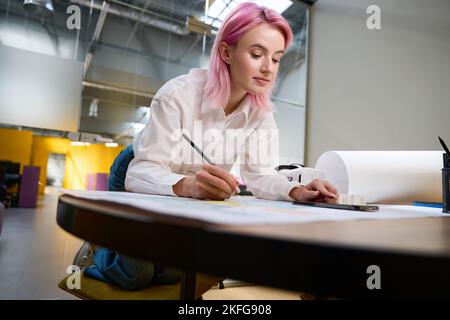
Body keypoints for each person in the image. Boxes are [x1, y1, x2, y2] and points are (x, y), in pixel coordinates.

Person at [74, 2, 338, 291]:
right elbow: (140, 172)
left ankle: (144, 255)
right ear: (226, 52)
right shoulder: (178, 94)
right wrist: (188, 186)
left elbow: (260, 175)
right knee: (135, 274)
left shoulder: (261, 116)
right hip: (141, 169)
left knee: (178, 274)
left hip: (193, 188)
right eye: (257, 54)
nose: (268, 68)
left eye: (276, 59)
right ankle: (96, 250)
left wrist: (295, 191)